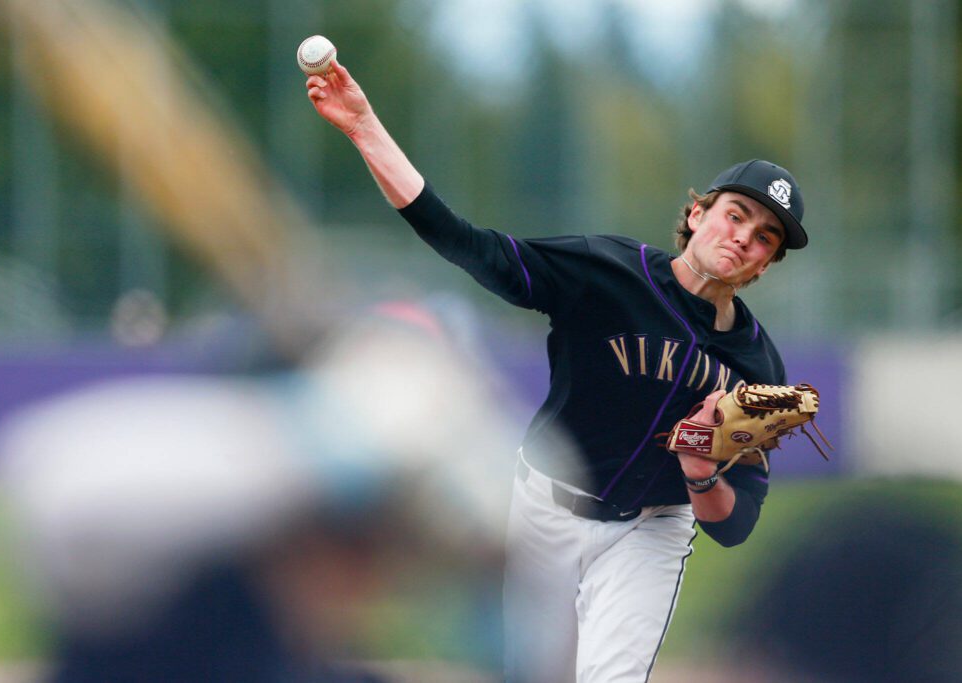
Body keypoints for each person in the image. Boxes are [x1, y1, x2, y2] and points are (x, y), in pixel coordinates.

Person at [306, 58, 808, 683]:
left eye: (764, 238)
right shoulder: (607, 273)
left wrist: (704, 477)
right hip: (543, 510)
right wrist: (364, 128)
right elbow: (467, 243)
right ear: (699, 214)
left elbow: (737, 525)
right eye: (736, 214)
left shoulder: (760, 373)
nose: (743, 237)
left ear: (765, 265)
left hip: (649, 534)